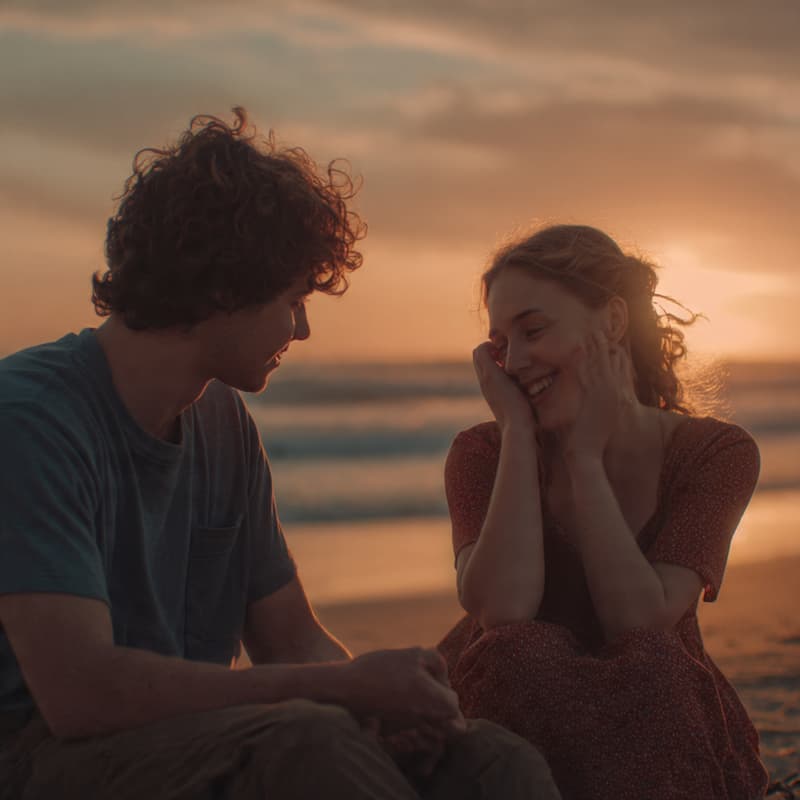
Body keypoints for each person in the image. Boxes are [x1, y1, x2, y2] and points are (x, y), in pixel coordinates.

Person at [0, 109, 562, 800]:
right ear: (222, 288)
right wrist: (335, 692)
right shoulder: (32, 418)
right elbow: (80, 696)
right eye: (293, 299)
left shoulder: (221, 422)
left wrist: (378, 707)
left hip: (195, 739)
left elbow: (293, 642)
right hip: (40, 757)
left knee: (487, 760)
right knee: (308, 742)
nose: (301, 328)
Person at [437, 224, 770, 800]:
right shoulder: (482, 452)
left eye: (533, 331)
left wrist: (586, 461)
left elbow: (638, 622)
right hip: (507, 710)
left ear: (613, 322)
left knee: (648, 661)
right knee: (521, 652)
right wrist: (517, 433)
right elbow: (503, 612)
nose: (513, 362)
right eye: (499, 344)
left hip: (658, 723)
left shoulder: (715, 454)